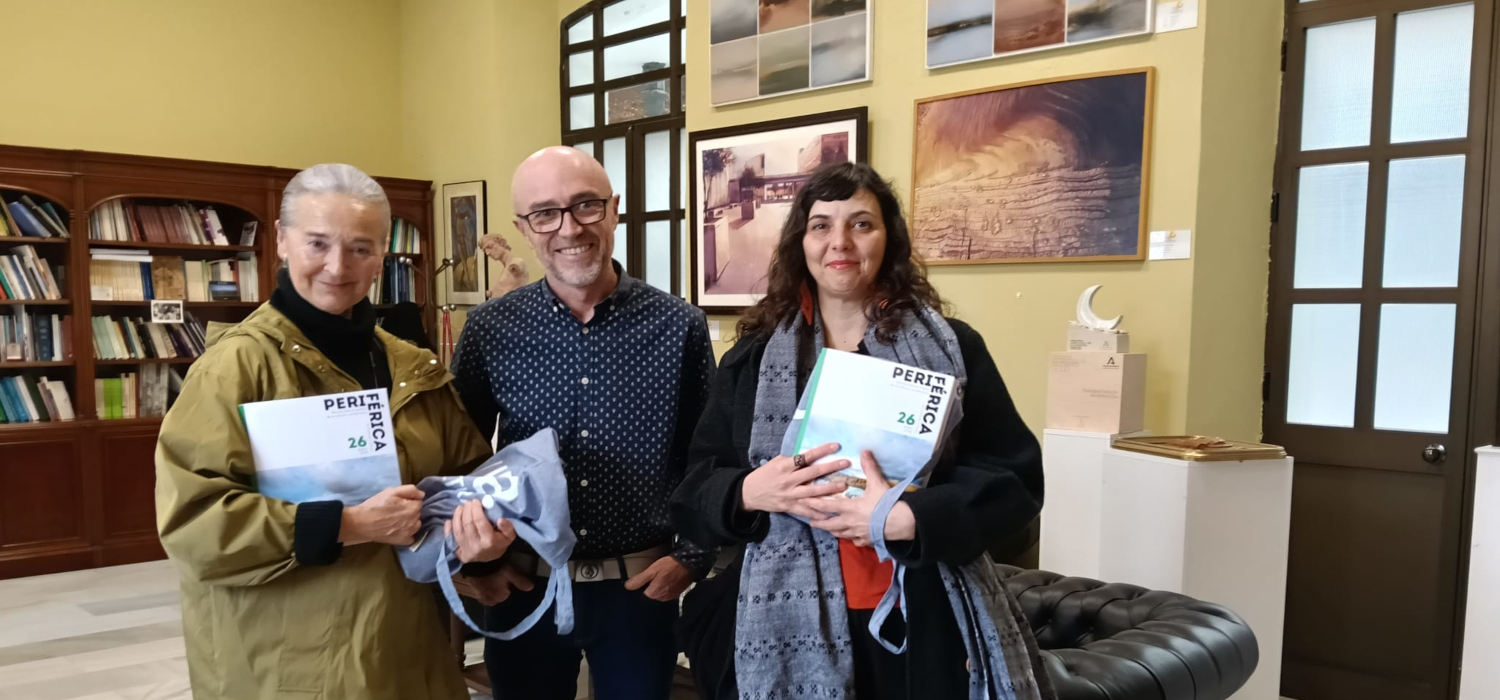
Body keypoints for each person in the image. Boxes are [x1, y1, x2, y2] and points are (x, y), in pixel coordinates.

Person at [669, 162, 1054, 699]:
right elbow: (695, 488)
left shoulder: (952, 348)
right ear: (801, 242)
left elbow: (1016, 482)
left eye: (861, 224)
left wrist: (910, 516)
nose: (840, 242)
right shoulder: (753, 360)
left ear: (887, 238)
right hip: (779, 614)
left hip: (925, 613)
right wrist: (748, 490)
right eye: (821, 225)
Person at [155, 163, 516, 699]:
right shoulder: (234, 369)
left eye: (360, 248)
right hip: (287, 659)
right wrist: (348, 524)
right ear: (282, 240)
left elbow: (468, 480)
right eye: (317, 243)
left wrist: (482, 543)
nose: (337, 266)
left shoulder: (413, 367)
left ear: (382, 255)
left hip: (406, 645)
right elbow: (193, 522)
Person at [450, 146, 716, 700]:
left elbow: (707, 456)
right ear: (524, 229)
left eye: (585, 205)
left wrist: (691, 558)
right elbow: (460, 458)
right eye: (545, 213)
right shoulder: (490, 329)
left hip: (639, 589)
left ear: (614, 209)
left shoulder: (679, 325)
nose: (569, 228)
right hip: (524, 586)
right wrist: (475, 567)